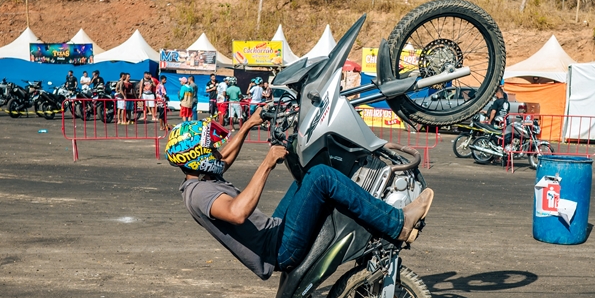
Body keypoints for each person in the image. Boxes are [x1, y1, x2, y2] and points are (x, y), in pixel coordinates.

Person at [165, 111, 434, 280]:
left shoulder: (202, 177)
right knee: (320, 177)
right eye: (209, 149)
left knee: (307, 174)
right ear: (196, 159)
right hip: (278, 250)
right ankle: (397, 224)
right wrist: (266, 163)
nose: (216, 151)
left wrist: (248, 124)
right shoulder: (198, 194)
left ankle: (368, 208)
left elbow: (223, 159)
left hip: (274, 232)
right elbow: (237, 213)